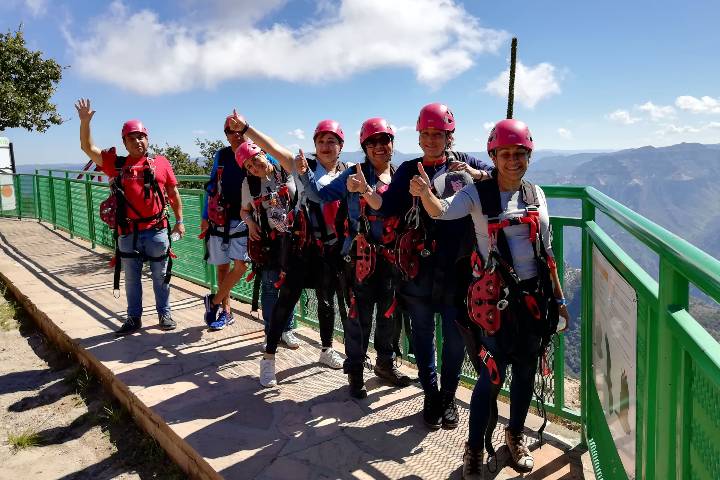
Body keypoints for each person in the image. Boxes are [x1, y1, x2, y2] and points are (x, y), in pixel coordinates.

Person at [409, 119, 570, 478]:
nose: (513, 160)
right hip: (495, 303)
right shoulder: (475, 195)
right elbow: (441, 211)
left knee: (526, 370)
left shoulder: (535, 194)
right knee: (492, 376)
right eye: (505, 154)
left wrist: (559, 300)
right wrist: (424, 194)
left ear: (528, 156)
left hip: (534, 300)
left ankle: (515, 435)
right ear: (493, 156)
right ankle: (474, 449)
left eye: (519, 153)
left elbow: (547, 252)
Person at [347, 103, 492, 429]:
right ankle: (431, 394)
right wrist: (366, 191)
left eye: (437, 134)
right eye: (425, 134)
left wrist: (476, 176)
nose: (430, 140)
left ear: (448, 136)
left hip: (458, 271)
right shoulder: (410, 169)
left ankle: (447, 396)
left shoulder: (466, 164)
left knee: (455, 340)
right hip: (419, 270)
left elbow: (500, 178)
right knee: (424, 337)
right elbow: (385, 207)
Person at [297, 117, 411, 398]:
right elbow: (318, 194)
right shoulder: (352, 177)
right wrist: (303, 173)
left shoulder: (400, 176)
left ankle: (385, 364)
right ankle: (356, 372)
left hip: (391, 260)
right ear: (364, 147)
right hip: (359, 259)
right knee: (358, 318)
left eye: (384, 140)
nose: (379, 147)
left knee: (388, 316)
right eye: (372, 142)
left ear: (392, 144)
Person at [75, 98, 185, 335]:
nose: (138, 141)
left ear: (148, 139)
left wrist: (180, 222)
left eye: (141, 136)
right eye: (132, 137)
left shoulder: (161, 163)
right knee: (132, 279)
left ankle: (164, 313)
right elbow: (87, 147)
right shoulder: (116, 163)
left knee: (161, 275)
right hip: (127, 232)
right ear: (124, 141)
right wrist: (85, 122)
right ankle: (134, 318)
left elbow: (174, 194)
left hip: (157, 229)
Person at [199, 115, 250, 331]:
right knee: (222, 267)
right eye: (231, 131)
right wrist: (204, 217)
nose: (236, 135)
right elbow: (212, 185)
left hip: (245, 219)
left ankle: (214, 301)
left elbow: (273, 170)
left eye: (240, 130)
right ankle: (225, 311)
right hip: (221, 217)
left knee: (240, 265)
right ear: (226, 135)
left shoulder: (256, 151)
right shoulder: (221, 155)